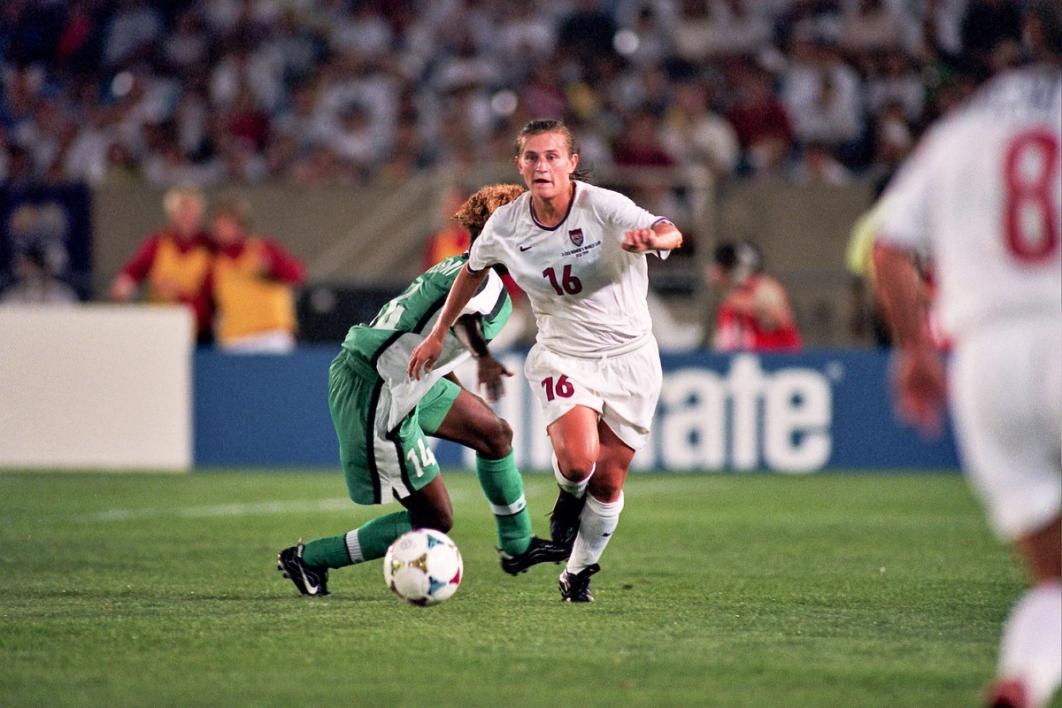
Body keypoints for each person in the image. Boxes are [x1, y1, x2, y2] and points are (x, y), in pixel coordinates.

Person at [409, 119, 683, 603]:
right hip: (563, 354)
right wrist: (436, 335)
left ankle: (577, 572)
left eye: (553, 156)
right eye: (532, 157)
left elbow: (669, 230)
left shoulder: (601, 206)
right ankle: (566, 496)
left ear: (572, 163)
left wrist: (654, 241)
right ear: (519, 166)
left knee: (610, 478)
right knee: (579, 462)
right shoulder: (506, 224)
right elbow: (471, 272)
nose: (542, 165)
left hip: (630, 357)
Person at [873, 4, 1061, 705]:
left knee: (1054, 577)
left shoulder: (962, 130)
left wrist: (915, 351)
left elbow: (887, 247)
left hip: (987, 361)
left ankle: (1024, 680)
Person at [278, 183, 566, 597]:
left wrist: (457, 380)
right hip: (375, 389)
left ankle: (517, 546)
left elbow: (430, 337)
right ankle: (309, 558)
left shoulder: (465, 269)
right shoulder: (480, 280)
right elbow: (460, 322)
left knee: (494, 433)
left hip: (411, 377)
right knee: (435, 518)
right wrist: (483, 356)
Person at [109, 185, 214, 344]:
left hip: (196, 331)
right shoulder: (158, 243)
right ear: (172, 214)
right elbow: (134, 270)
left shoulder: (209, 248)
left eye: (192, 212)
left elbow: (210, 299)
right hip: (159, 329)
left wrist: (178, 294)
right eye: (182, 212)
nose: (188, 217)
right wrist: (124, 285)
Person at [208, 198, 306, 353]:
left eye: (225, 225)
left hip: (271, 334)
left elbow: (297, 275)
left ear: (239, 225)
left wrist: (273, 269)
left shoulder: (261, 248)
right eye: (217, 226)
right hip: (235, 338)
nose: (219, 230)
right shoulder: (216, 262)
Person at [708, 240, 801, 352]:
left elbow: (782, 318)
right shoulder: (729, 299)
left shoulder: (762, 288)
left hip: (772, 357)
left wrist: (747, 305)